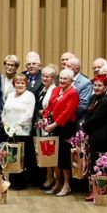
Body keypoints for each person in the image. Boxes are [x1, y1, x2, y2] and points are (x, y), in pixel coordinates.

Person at [42, 69, 79, 197]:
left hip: (65, 128)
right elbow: (49, 107)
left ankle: (66, 185)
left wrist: (53, 125)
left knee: (64, 158)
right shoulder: (55, 90)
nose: (62, 81)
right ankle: (57, 183)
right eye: (61, 78)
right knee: (55, 157)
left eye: (65, 79)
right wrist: (46, 120)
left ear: (71, 81)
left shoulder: (73, 93)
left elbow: (66, 113)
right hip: (53, 126)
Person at [80, 75, 107, 201]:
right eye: (95, 85)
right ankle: (93, 189)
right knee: (92, 163)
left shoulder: (105, 101)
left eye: (100, 86)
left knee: (98, 165)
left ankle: (98, 190)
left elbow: (96, 119)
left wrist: (84, 125)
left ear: (106, 87)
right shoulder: (94, 97)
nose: (97, 88)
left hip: (101, 137)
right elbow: (88, 113)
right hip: (93, 135)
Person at [1, 72, 35, 190]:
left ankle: (20, 182)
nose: (20, 85)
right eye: (17, 83)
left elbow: (29, 115)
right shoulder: (10, 95)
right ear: (14, 84)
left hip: (22, 131)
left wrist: (17, 125)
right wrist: (4, 122)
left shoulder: (29, 95)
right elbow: (4, 111)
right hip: (8, 130)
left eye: (22, 83)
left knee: (21, 157)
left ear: (26, 84)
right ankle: (11, 180)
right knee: (10, 156)